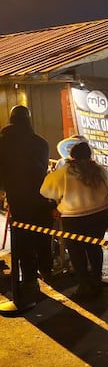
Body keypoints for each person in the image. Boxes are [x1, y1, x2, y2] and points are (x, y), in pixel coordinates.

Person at [41, 142, 108, 300]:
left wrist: (58, 203)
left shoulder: (65, 171)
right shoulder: (99, 169)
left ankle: (84, 285)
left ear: (71, 155)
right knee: (94, 246)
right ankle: (96, 280)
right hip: (100, 213)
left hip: (74, 216)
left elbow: (46, 190)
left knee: (76, 250)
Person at [0, 105, 53, 311]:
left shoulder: (3, 143)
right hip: (40, 196)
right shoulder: (41, 142)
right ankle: (46, 270)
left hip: (18, 198)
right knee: (42, 234)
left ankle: (30, 278)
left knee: (22, 239)